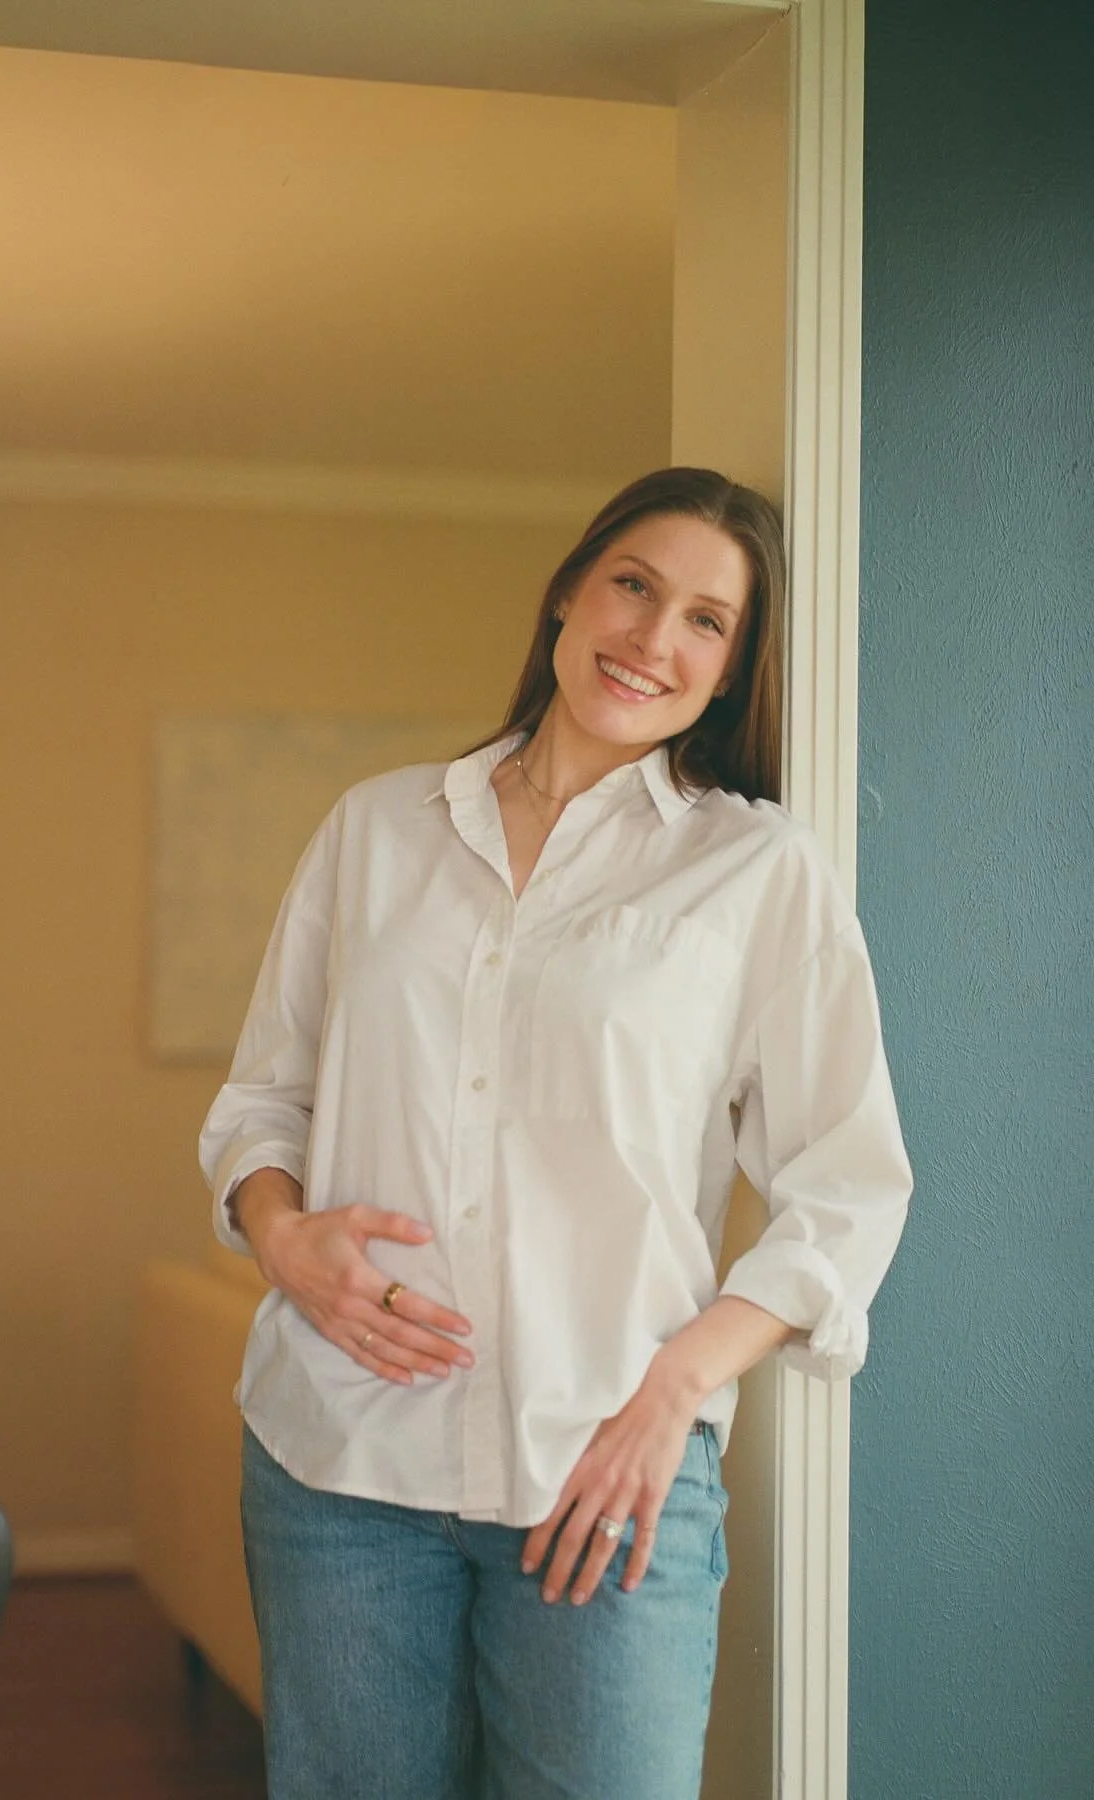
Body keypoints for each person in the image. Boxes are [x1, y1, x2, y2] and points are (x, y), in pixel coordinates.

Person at [198, 466, 912, 1800]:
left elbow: (847, 1188)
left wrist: (676, 1392)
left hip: (607, 1475)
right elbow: (260, 1103)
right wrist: (283, 1238)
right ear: (567, 597)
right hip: (338, 1467)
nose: (653, 639)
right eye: (635, 587)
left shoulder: (755, 875)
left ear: (731, 670)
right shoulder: (376, 831)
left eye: (707, 620)